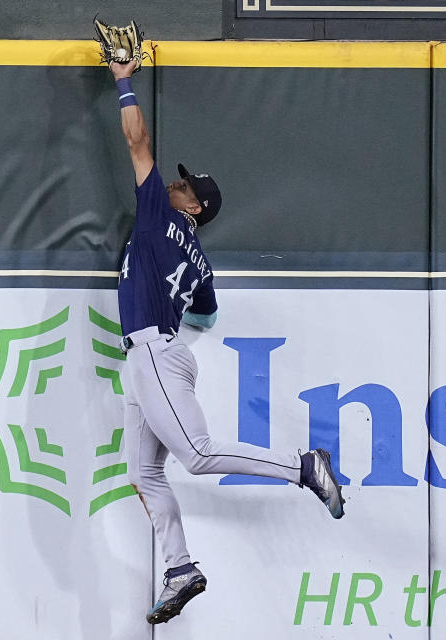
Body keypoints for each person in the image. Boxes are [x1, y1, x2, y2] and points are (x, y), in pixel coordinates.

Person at [108, 59, 346, 625]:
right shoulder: (203, 263)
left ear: (193, 206)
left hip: (155, 354)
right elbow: (208, 319)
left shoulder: (152, 214)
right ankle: (180, 568)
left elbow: (137, 140)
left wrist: (123, 79)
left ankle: (302, 464)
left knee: (196, 454)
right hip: (161, 354)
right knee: (144, 473)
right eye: (180, 180)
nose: (174, 184)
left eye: (184, 186)